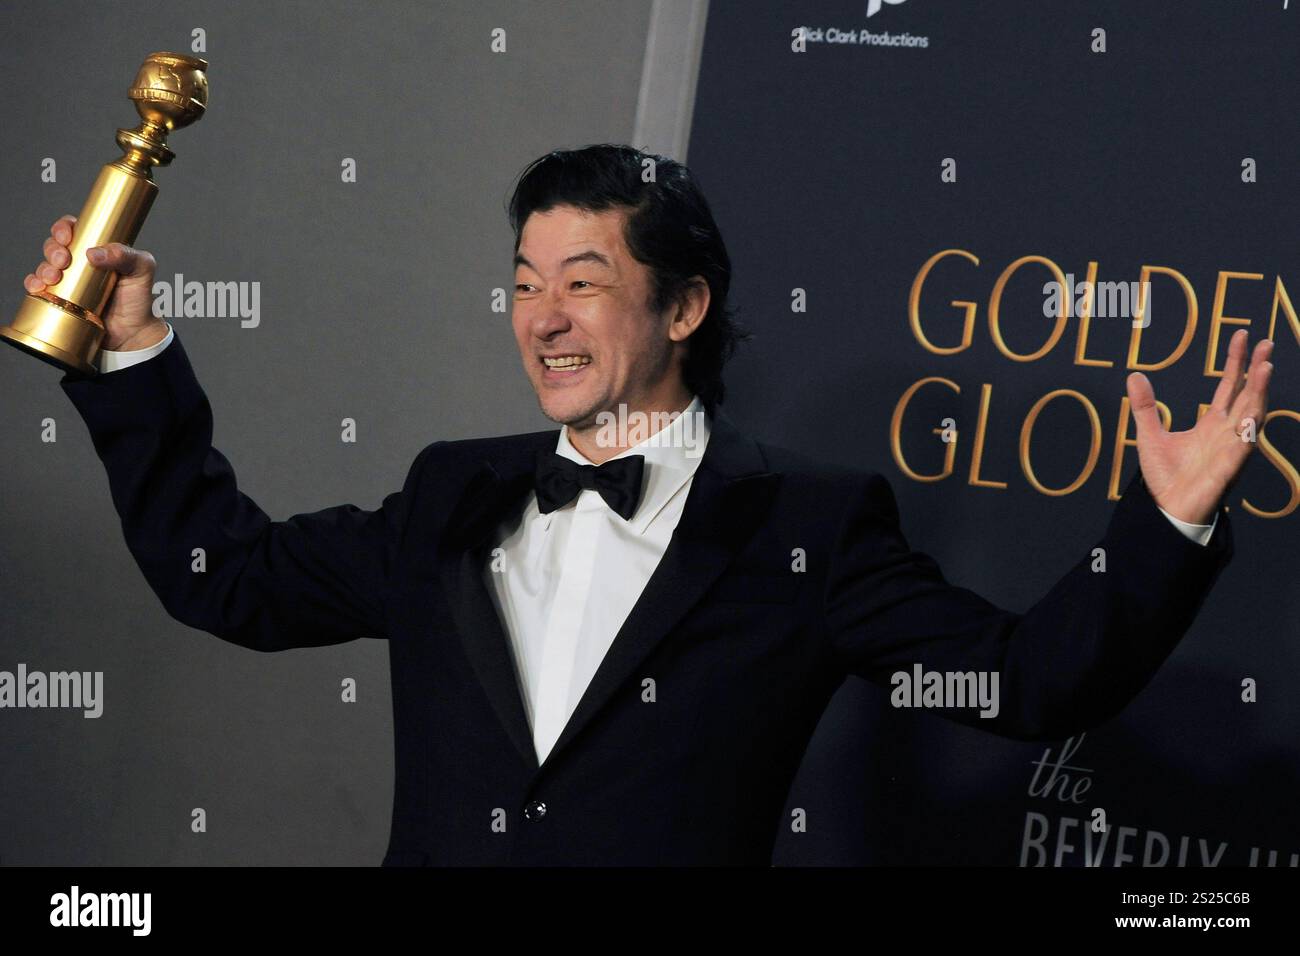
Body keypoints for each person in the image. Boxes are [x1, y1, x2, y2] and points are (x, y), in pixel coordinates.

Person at [25, 144, 1273, 865]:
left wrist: (1161, 528)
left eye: (584, 280)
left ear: (682, 307)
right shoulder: (454, 489)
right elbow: (224, 578)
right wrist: (129, 362)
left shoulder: (808, 527)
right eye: (523, 283)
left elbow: (1023, 680)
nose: (543, 317)